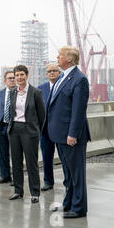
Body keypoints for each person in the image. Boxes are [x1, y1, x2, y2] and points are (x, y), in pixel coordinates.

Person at [46, 47, 91, 218]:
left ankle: (79, 208)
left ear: (70, 60)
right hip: (59, 135)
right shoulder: (62, 77)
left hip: (71, 137)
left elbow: (78, 110)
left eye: (61, 55)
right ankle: (68, 203)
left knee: (77, 174)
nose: (57, 57)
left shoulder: (79, 80)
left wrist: (73, 134)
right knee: (68, 174)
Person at [8, 65, 45, 203]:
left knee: (31, 163)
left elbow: (42, 115)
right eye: (17, 75)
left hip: (29, 131)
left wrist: (37, 131)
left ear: (27, 75)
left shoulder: (36, 92)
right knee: (16, 162)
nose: (19, 78)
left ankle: (35, 192)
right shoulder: (12, 92)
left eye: (21, 75)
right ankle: (18, 191)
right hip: (14, 130)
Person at [38, 63, 62, 191]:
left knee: (64, 158)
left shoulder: (63, 85)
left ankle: (68, 182)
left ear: (59, 72)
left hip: (60, 129)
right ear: (46, 74)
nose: (52, 73)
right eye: (49, 71)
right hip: (45, 130)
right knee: (47, 158)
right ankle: (48, 181)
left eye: (54, 71)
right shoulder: (40, 89)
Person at [0, 70, 16, 185]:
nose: (12, 80)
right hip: (1, 127)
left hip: (15, 128)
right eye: (9, 78)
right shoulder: (0, 93)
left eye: (13, 78)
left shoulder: (20, 92)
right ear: (5, 80)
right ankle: (5, 176)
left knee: (16, 154)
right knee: (3, 153)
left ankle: (17, 177)